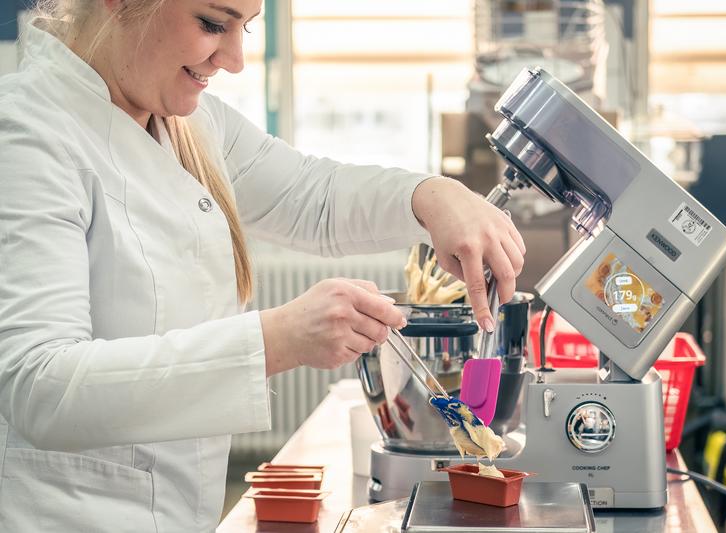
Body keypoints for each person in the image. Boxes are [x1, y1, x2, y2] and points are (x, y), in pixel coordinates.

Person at [0, 0, 526, 530]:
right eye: (212, 24)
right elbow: (40, 385)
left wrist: (431, 197)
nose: (234, 60)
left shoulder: (189, 122)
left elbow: (310, 196)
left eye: (246, 28)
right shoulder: (27, 133)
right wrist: (277, 339)